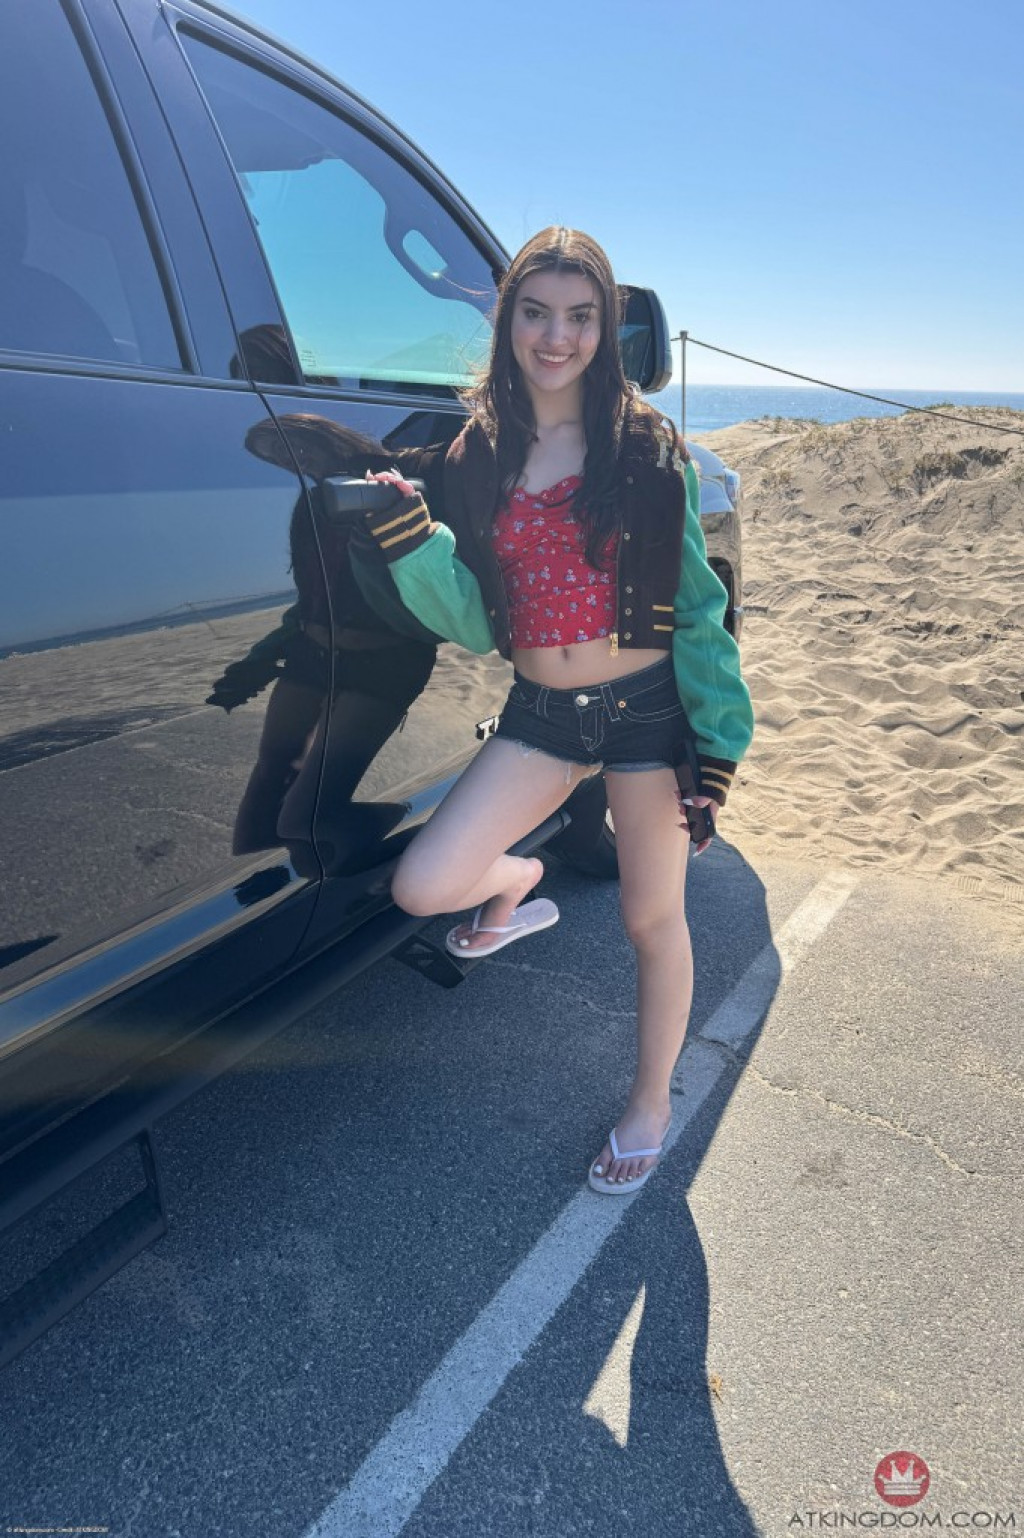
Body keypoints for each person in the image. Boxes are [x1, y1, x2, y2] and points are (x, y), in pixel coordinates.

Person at [360, 226, 755, 1194]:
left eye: (580, 316)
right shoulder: (478, 453)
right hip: (539, 711)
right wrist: (414, 543)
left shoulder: (646, 447)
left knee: (649, 917)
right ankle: (518, 879)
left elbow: (700, 606)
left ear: (605, 328)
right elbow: (478, 617)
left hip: (647, 716)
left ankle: (650, 1101)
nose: (556, 336)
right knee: (422, 885)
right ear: (508, 322)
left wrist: (717, 745)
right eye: (535, 312)